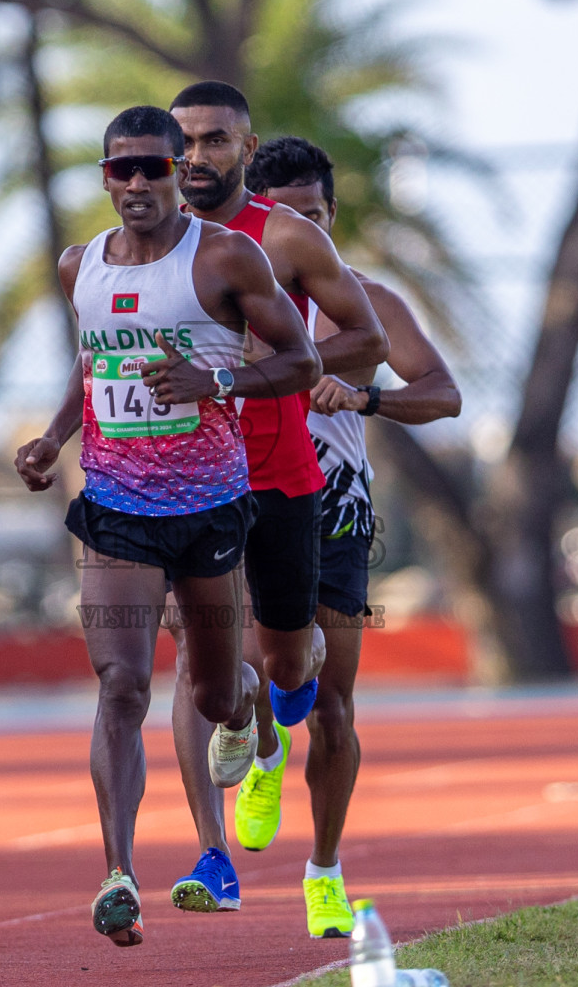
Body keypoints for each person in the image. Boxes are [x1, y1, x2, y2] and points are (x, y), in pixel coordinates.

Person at [13, 106, 319, 947]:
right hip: (115, 507)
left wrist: (214, 384)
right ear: (105, 178)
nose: (140, 183)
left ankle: (251, 703)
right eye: (123, 171)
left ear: (178, 172)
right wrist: (52, 439)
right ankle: (119, 874)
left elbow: (303, 361)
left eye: (155, 167)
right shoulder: (81, 266)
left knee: (214, 692)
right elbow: (93, 366)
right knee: (122, 684)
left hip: (212, 508)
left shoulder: (224, 256)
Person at [162, 81, 392, 917]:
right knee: (197, 665)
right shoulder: (137, 247)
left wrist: (283, 376)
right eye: (181, 141)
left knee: (301, 683)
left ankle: (276, 729)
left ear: (244, 148)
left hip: (285, 475)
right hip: (183, 480)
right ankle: (212, 859)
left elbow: (369, 338)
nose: (194, 156)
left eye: (214, 140)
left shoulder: (286, 238)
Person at [238, 135, 462, 938]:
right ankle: (262, 748)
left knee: (333, 703)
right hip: (241, 495)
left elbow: (443, 394)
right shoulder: (221, 298)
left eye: (319, 218)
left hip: (335, 507)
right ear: (258, 223)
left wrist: (365, 402)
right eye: (289, 219)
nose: (307, 234)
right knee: (255, 669)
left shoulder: (367, 302)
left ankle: (323, 871)